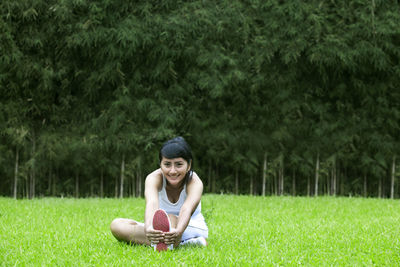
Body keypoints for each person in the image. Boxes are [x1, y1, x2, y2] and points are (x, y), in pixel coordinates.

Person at [110, 137, 208, 251]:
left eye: (179, 164)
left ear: (189, 165)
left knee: (171, 218)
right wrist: (148, 228)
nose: (172, 171)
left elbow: (186, 209)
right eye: (167, 164)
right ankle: (181, 244)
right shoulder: (153, 178)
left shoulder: (194, 182)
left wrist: (179, 231)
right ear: (160, 164)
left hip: (189, 227)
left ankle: (180, 240)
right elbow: (152, 204)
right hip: (162, 228)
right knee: (117, 225)